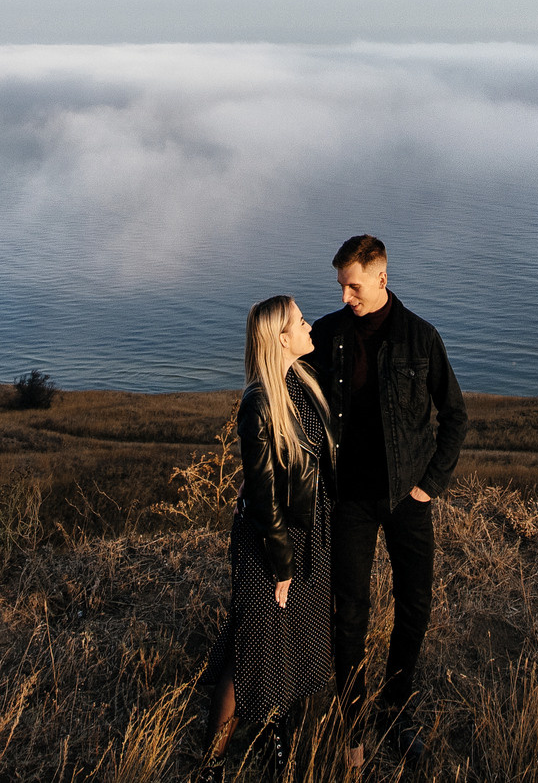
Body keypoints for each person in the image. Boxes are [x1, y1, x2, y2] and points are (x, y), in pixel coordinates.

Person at [313, 234, 467, 769]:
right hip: (349, 497)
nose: (345, 298)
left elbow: (455, 417)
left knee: (414, 608)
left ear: (381, 277)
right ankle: (352, 727)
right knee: (349, 613)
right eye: (341, 287)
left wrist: (428, 486)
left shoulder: (421, 339)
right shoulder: (328, 335)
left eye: (352, 287)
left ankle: (395, 714)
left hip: (408, 497)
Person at [201, 295, 335, 778]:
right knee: (253, 643)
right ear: (281, 338)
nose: (309, 324)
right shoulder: (259, 402)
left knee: (292, 639)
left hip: (308, 530)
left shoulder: (301, 383)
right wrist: (282, 566)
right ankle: (212, 761)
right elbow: (263, 500)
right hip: (271, 541)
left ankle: (280, 744)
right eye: (300, 321)